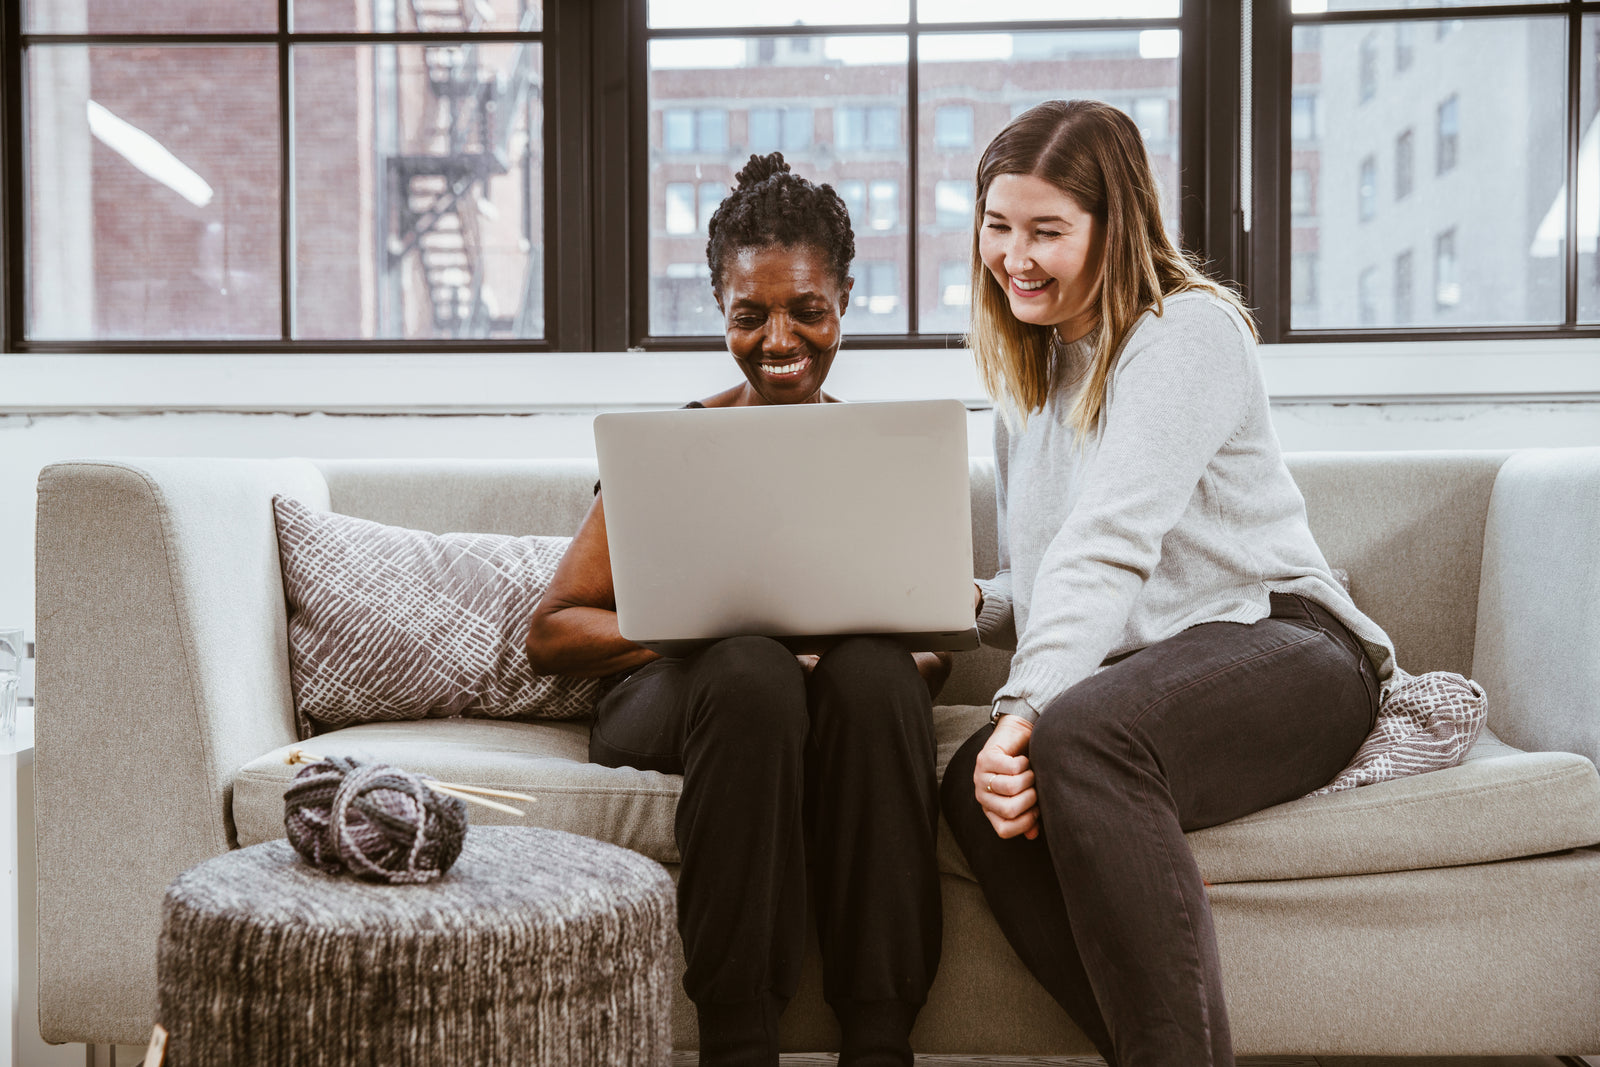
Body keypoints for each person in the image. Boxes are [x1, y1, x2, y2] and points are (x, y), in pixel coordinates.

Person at [940, 99, 1396, 1067]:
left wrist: (1024, 706)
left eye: (1046, 231)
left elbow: (1109, 544)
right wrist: (933, 604)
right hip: (1159, 671)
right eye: (996, 225)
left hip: (1292, 644)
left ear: (1117, 226)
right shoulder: (1030, 384)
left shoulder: (1183, 331)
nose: (1013, 256)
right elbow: (1044, 580)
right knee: (966, 779)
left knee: (1076, 735)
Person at [526, 152, 950, 1067]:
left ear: (844, 300)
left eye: (808, 309)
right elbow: (552, 630)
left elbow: (931, 649)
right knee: (754, 670)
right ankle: (738, 1034)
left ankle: (880, 1035)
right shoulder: (675, 446)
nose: (779, 338)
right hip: (692, 697)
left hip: (833, 699)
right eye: (749, 315)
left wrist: (840, 656)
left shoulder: (884, 455)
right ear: (720, 309)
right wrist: (706, 627)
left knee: (874, 674)